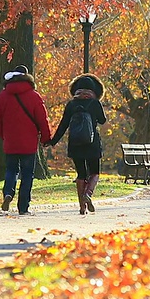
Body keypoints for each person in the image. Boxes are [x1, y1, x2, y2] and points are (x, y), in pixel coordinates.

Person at [0, 64, 52, 215]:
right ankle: (23, 206)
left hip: (10, 140)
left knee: (11, 169)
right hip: (29, 142)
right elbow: (42, 119)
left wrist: (3, 135)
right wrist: (46, 138)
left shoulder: (2, 96)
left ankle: (8, 193)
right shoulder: (34, 96)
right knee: (27, 174)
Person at [45, 73, 106, 215]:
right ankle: (88, 194)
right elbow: (102, 121)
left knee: (81, 174)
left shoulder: (72, 104)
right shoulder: (95, 103)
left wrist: (52, 141)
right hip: (92, 143)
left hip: (75, 142)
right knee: (95, 172)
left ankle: (81, 207)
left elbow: (63, 125)